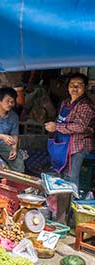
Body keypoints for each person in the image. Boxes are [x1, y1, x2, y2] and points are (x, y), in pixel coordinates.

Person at [45, 73, 95, 224]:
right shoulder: (66, 103)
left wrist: (57, 127)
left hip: (78, 147)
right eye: (72, 84)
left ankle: (70, 217)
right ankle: (58, 212)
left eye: (79, 85)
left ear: (85, 88)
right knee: (61, 179)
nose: (75, 88)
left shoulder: (85, 105)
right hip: (64, 145)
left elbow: (80, 126)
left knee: (71, 180)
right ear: (68, 87)